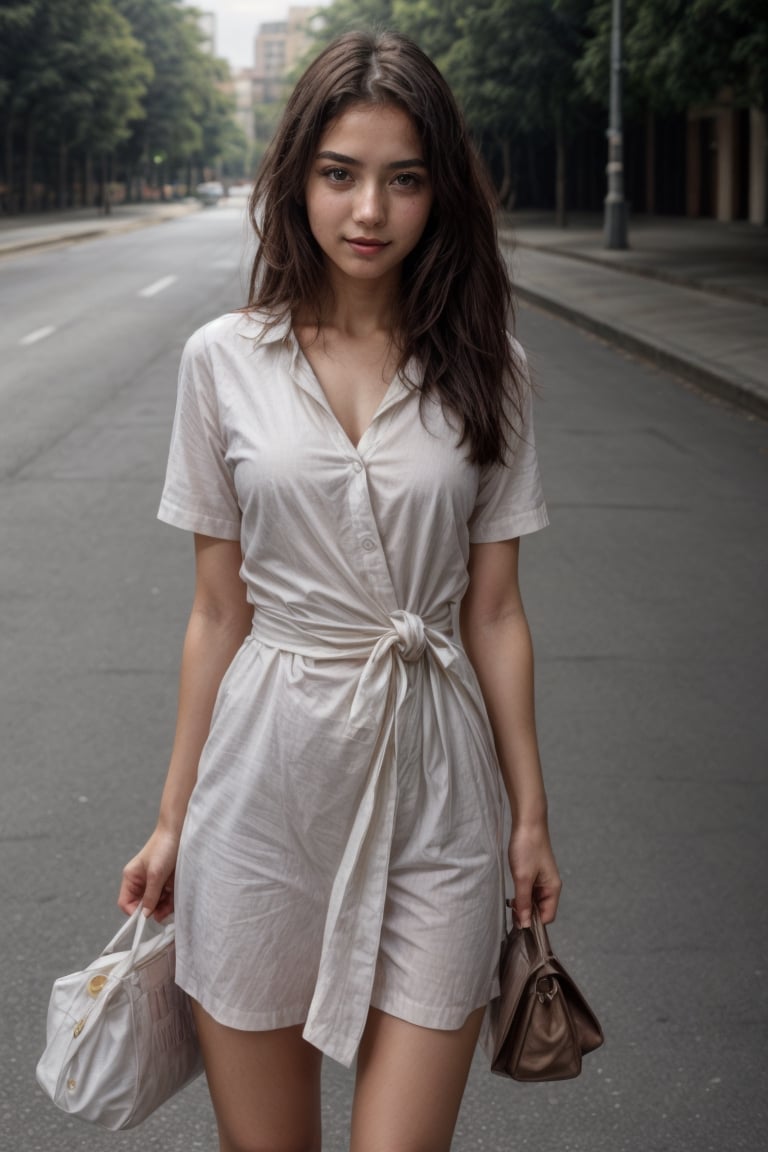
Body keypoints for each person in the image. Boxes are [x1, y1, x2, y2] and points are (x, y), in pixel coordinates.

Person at [119, 28, 561, 1152]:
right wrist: (173, 820)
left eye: (404, 179)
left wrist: (530, 818)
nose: (370, 209)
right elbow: (220, 610)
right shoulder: (222, 361)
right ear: (297, 181)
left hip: (436, 790)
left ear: (440, 192)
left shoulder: (488, 365)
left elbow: (496, 609)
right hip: (263, 790)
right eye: (340, 174)